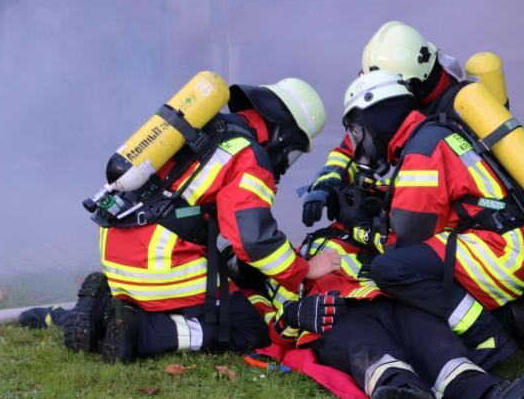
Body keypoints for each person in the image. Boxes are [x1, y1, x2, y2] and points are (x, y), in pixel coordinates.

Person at [23, 76, 343, 364]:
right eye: (295, 151)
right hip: (158, 266)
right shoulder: (249, 157)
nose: (287, 162)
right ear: (284, 134)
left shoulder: (207, 129)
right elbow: (252, 239)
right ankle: (140, 331)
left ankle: (100, 308)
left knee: (215, 296)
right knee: (247, 329)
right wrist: (305, 269)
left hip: (118, 254)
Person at [338, 71, 524, 369]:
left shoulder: (421, 153)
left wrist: (359, 227)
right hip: (504, 244)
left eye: (357, 131)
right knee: (416, 268)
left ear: (376, 119)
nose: (358, 141)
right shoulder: (431, 135)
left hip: (498, 253)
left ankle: (486, 335)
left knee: (391, 269)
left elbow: (404, 242)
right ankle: (522, 317)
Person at [272, 225, 524, 399]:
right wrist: (296, 315)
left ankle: (492, 394)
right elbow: (274, 325)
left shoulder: (355, 235)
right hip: (338, 315)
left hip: (389, 298)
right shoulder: (286, 270)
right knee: (369, 351)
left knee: (437, 342)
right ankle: (404, 392)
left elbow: (401, 244)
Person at [302, 20, 464, 228]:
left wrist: (377, 200)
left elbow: (437, 182)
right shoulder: (395, 106)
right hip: (423, 206)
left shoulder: (461, 110)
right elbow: (351, 149)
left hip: (456, 221)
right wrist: (328, 183)